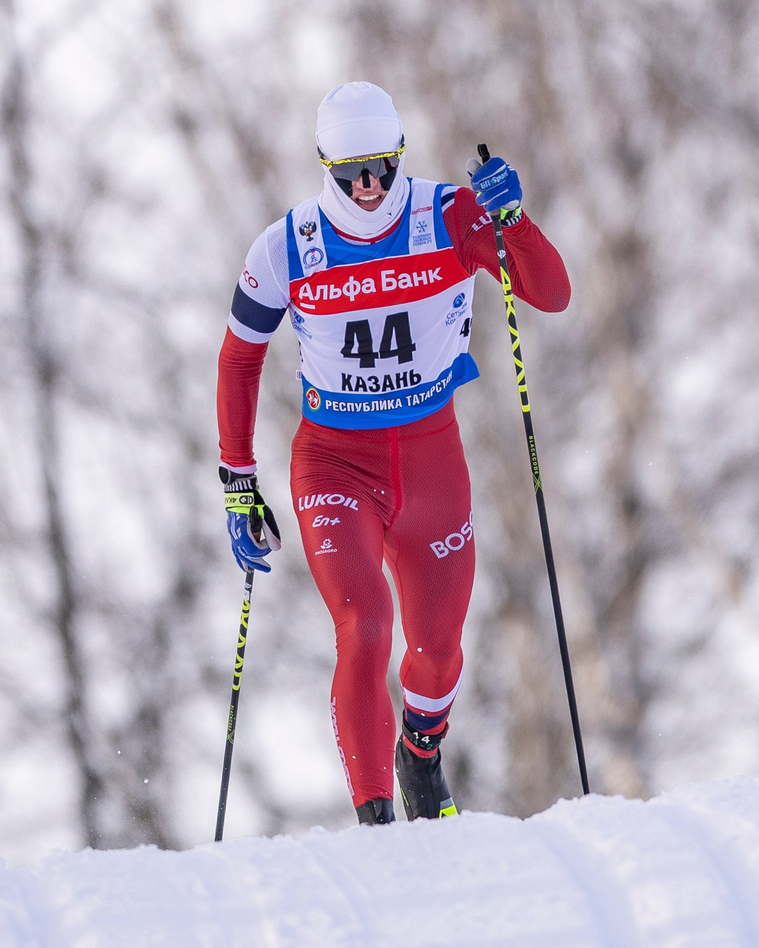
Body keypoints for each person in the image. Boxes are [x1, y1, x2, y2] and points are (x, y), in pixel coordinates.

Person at [216, 82, 570, 825]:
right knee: (365, 623)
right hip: (335, 464)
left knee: (438, 649)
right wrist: (237, 479)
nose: (370, 186)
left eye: (381, 166)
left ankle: (422, 747)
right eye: (351, 173)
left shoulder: (448, 216)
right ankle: (376, 815)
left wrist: (513, 220)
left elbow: (552, 292)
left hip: (431, 460)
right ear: (325, 166)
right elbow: (240, 356)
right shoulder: (288, 245)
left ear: (399, 154)